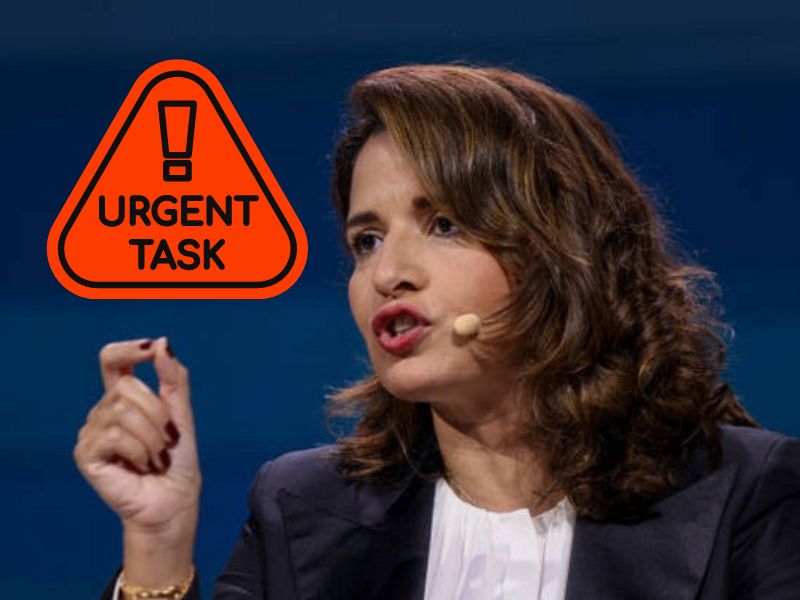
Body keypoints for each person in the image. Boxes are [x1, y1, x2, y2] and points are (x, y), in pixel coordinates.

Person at [74, 64, 800, 599]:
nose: (388, 273)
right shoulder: (302, 510)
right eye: (366, 241)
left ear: (560, 252)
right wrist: (158, 543)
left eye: (444, 224)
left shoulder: (744, 494)